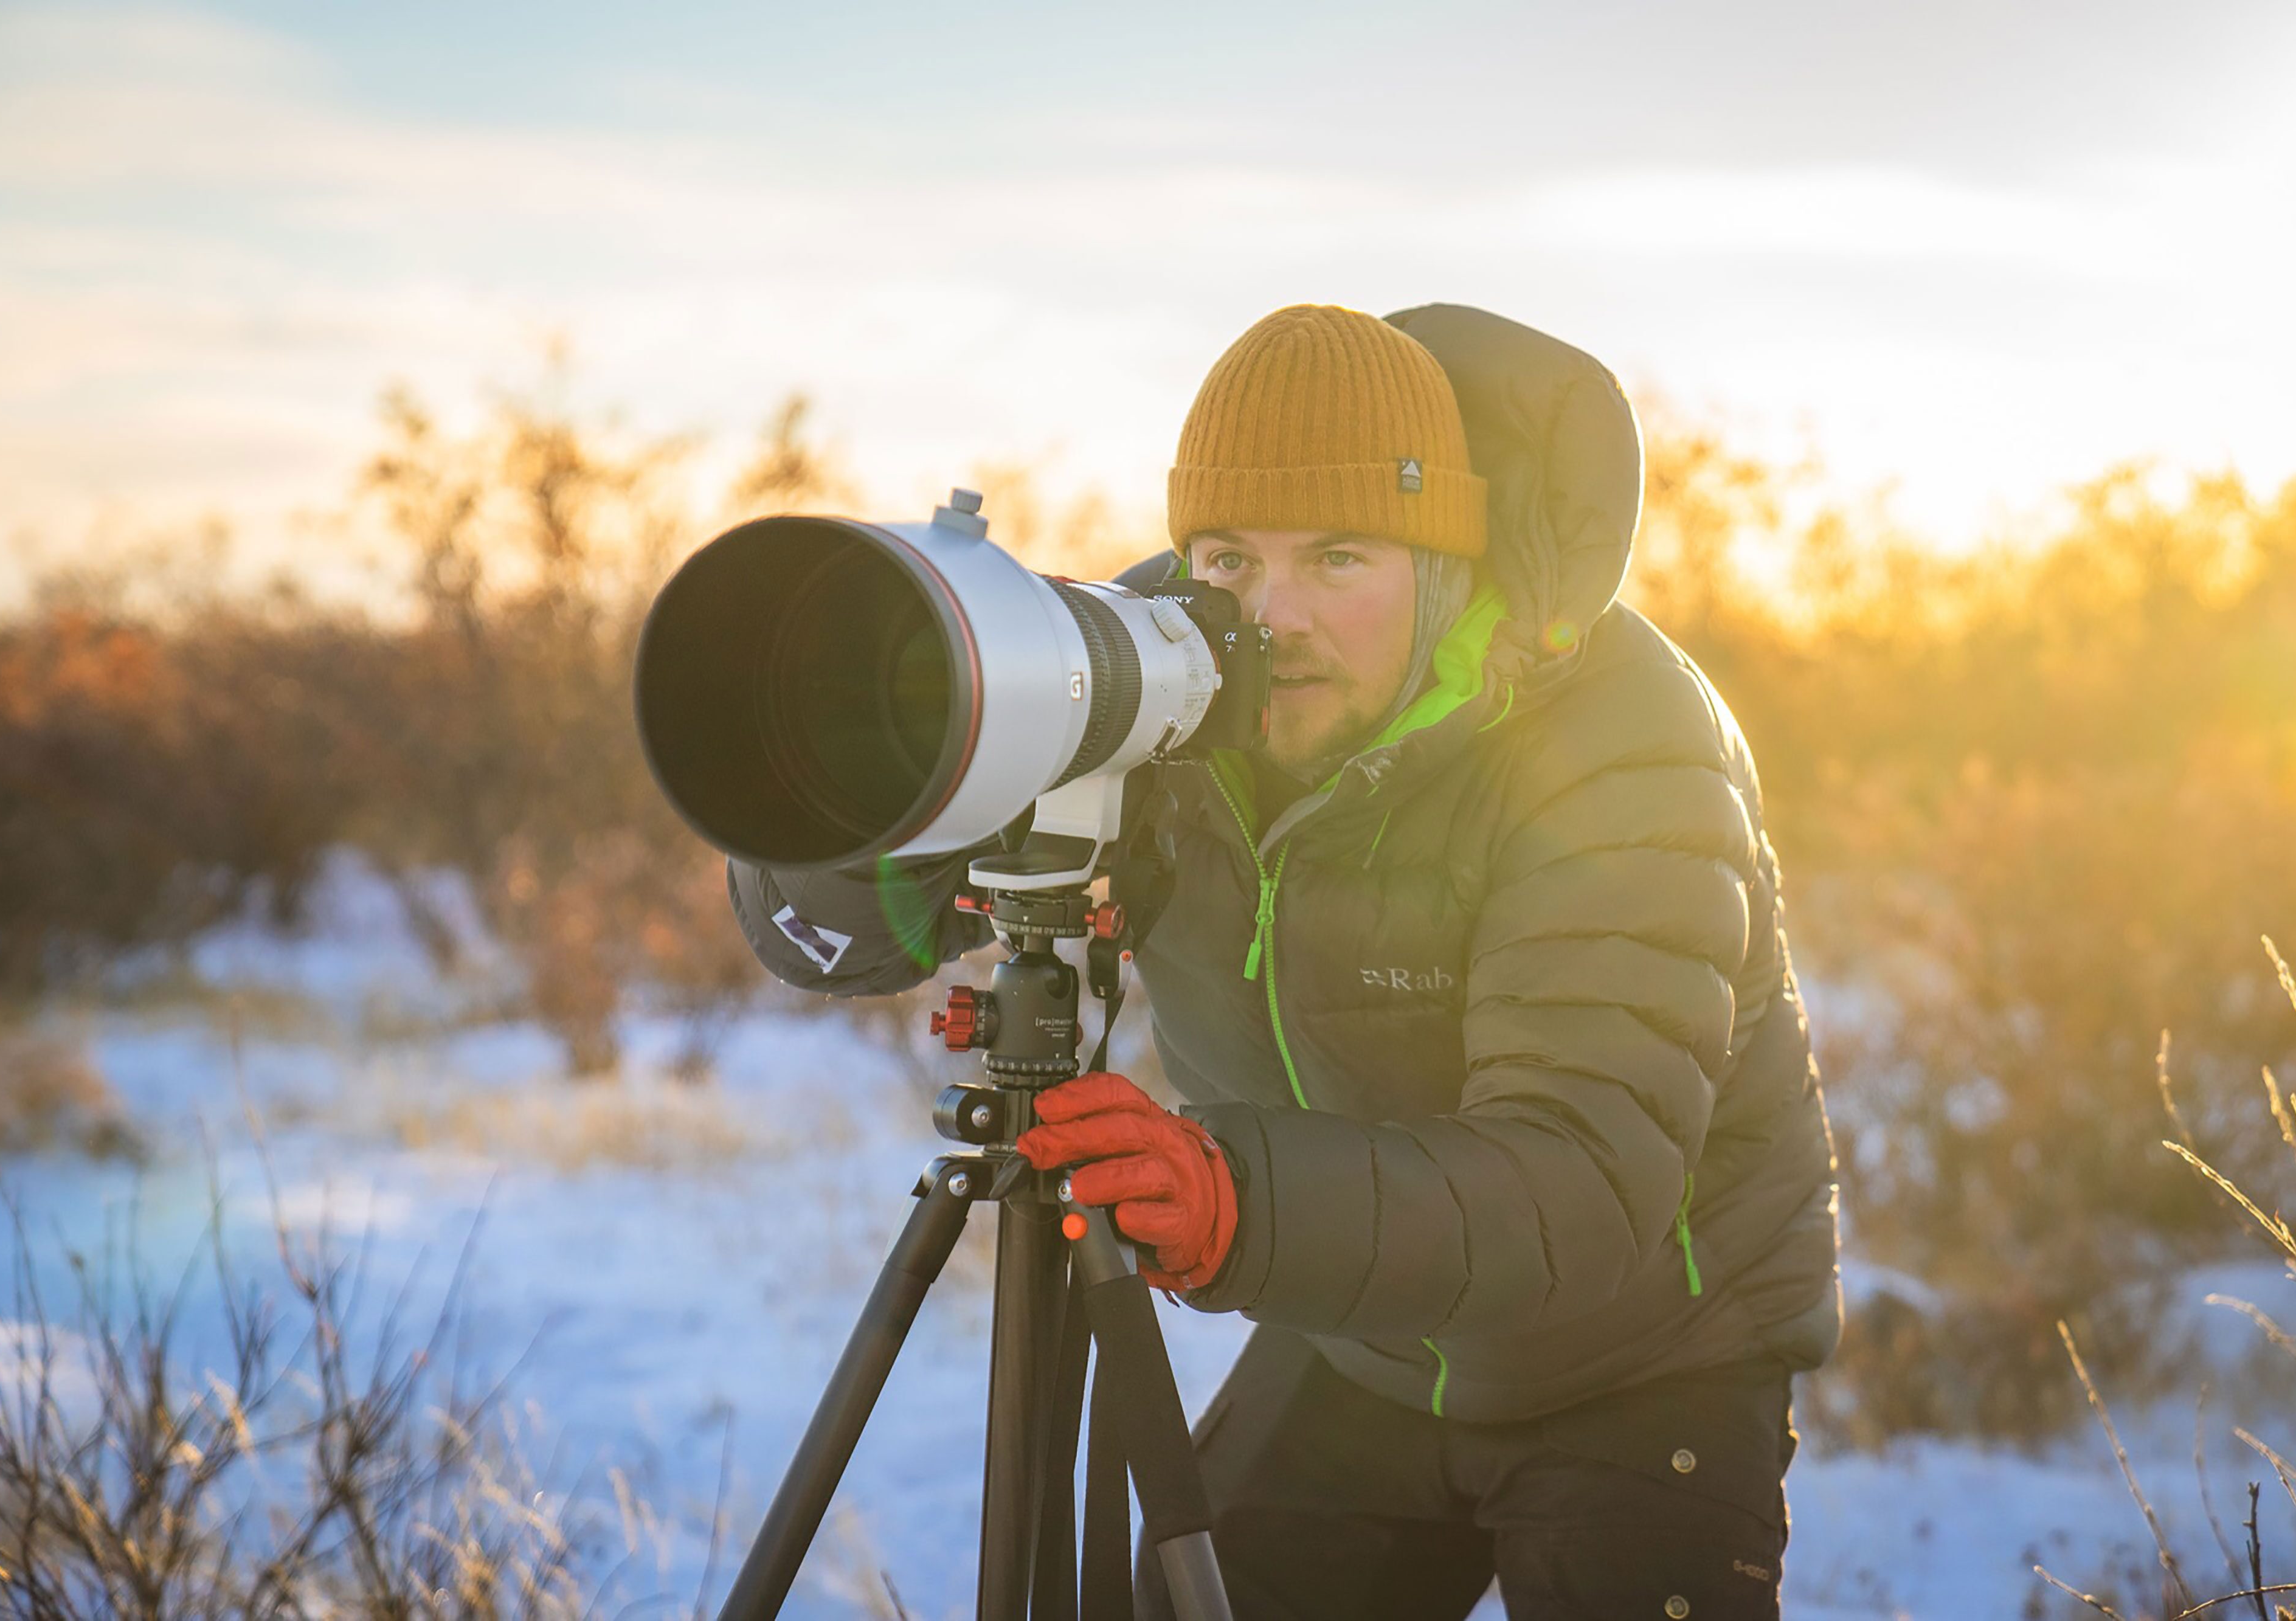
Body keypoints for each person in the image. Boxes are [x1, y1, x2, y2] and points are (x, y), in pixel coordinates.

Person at [729, 303, 1841, 1619]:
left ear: (1444, 562)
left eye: (1338, 555)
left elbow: (1584, 1177)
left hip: (1643, 1349)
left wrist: (1230, 1202)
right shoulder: (1159, 671)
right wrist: (901, 774)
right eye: (1228, 557)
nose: (1274, 615)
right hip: (1358, 1330)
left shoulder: (1614, 735)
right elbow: (822, 933)